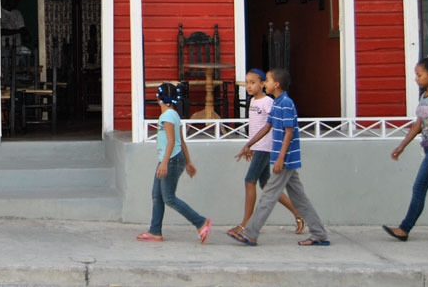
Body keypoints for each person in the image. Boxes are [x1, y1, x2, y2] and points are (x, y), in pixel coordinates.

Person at [228, 68, 330, 247]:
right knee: (299, 198)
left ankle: (250, 233)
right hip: (281, 157)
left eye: (266, 80)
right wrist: (248, 145)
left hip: (286, 158)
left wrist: (281, 158)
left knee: (268, 195)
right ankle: (319, 234)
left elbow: (288, 132)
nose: (264, 83)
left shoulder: (286, 104)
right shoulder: (277, 103)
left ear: (276, 84)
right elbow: (267, 127)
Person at [383, 53, 428, 241]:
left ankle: (405, 228)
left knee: (419, 187)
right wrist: (402, 145)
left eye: (419, 74)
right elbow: (418, 125)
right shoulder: (424, 98)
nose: (416, 78)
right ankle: (404, 228)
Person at [136, 83, 212, 242]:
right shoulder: (174, 115)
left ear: (158, 98)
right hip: (171, 158)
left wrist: (164, 163)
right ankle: (155, 231)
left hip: (170, 160)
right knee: (157, 195)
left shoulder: (167, 116)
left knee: (169, 197)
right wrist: (188, 161)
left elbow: (171, 142)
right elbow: (181, 141)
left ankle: (201, 222)